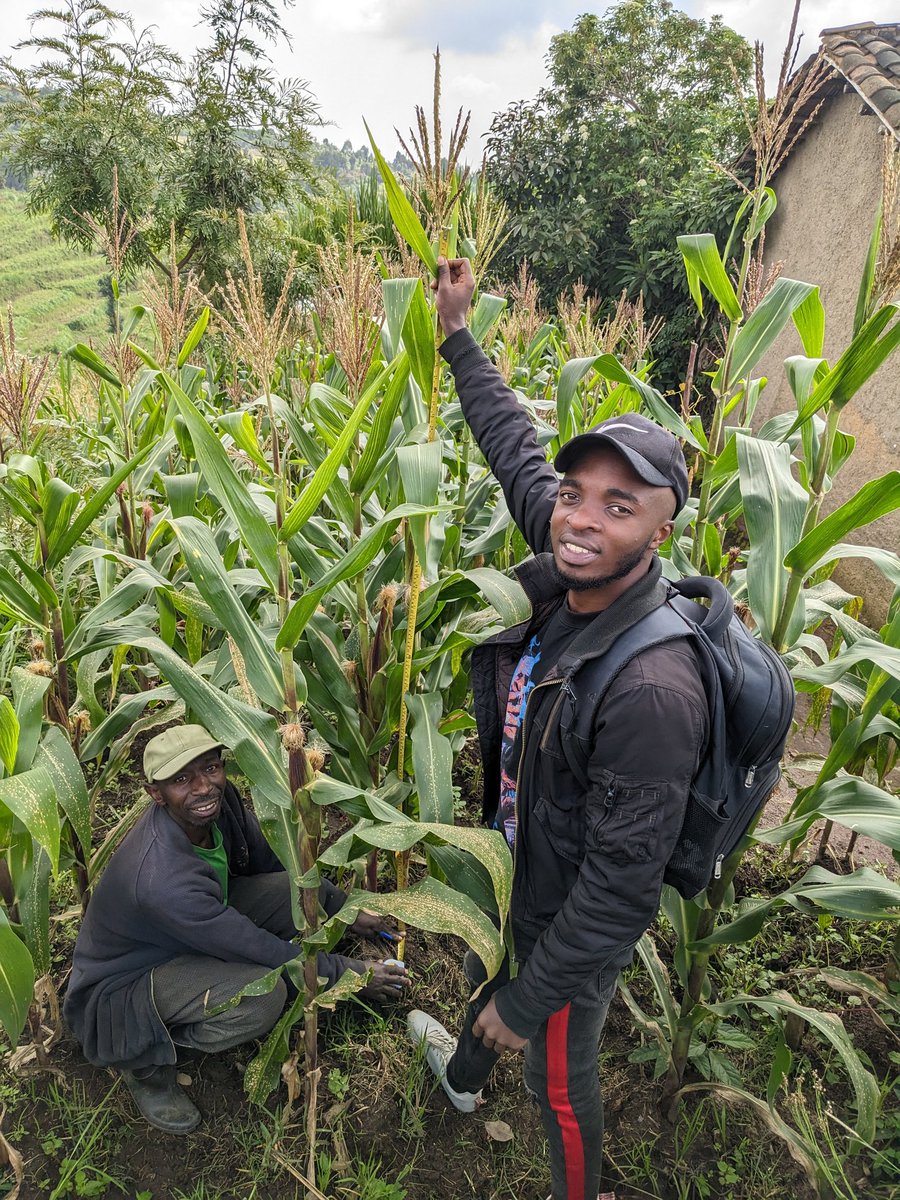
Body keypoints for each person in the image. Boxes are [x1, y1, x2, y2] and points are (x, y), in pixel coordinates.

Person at [407, 259, 709, 1200]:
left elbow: (620, 893)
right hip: (515, 858)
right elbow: (514, 450)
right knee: (477, 965)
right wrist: (459, 336)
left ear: (658, 532)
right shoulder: (575, 557)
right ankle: (463, 1076)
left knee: (558, 1081)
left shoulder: (654, 690)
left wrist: (530, 998)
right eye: (577, 495)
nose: (579, 518)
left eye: (619, 506)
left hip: (569, 914)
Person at [64, 724, 408, 1134]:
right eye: (181, 780)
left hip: (191, 929)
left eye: (210, 768)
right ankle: (148, 1057)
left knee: (288, 892)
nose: (203, 787)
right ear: (154, 794)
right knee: (265, 997)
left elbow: (272, 861)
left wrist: (345, 910)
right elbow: (254, 947)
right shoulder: (162, 882)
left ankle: (184, 1005)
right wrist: (351, 977)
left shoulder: (217, 803)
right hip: (124, 988)